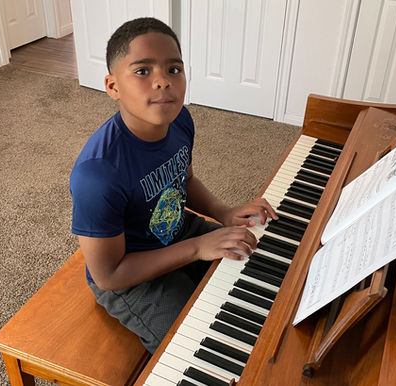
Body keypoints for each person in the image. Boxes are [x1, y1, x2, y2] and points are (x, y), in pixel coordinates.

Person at [69, 17, 277, 354]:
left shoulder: (180, 120)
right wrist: (197, 248)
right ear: (112, 86)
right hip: (131, 274)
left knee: (258, 271)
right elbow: (108, 275)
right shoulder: (98, 174)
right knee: (196, 342)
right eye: (142, 71)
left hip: (179, 230)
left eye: (174, 70)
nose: (162, 82)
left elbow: (186, 179)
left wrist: (224, 213)